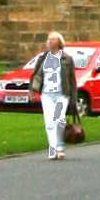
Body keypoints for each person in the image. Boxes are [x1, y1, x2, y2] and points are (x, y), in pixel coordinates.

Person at [39, 28, 71, 161]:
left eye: (53, 39)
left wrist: (73, 97)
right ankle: (52, 149)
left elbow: (71, 80)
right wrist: (32, 89)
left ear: (59, 42)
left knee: (59, 120)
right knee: (49, 123)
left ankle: (60, 147)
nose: (50, 42)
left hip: (61, 94)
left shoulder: (66, 58)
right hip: (46, 94)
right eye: (49, 39)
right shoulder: (43, 58)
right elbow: (37, 75)